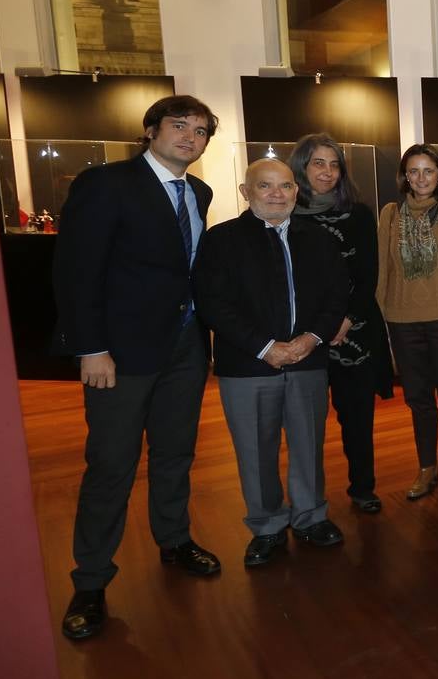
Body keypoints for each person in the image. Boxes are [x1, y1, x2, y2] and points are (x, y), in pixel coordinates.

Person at [52, 95, 222, 639]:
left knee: (175, 452)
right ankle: (91, 581)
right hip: (119, 354)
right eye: (179, 126)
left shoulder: (198, 191)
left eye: (200, 132)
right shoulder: (106, 185)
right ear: (151, 130)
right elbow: (76, 272)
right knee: (111, 465)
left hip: (184, 349)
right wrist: (90, 347)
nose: (190, 138)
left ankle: (173, 539)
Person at [193, 158, 349, 567]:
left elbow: (337, 297)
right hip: (247, 365)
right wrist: (266, 347)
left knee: (308, 445)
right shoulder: (221, 240)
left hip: (307, 360)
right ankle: (266, 526)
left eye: (284, 186)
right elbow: (213, 305)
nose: (277, 194)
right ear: (246, 192)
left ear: (297, 192)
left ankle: (311, 517)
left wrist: (310, 339)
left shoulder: (319, 239)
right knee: (255, 451)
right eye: (265, 186)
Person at [287, 134, 393, 514]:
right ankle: (307, 501)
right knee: (304, 427)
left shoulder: (360, 214)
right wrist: (312, 332)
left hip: (354, 332)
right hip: (301, 337)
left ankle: (363, 488)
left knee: (357, 420)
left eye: (334, 164)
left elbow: (368, 276)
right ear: (301, 167)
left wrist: (346, 322)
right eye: (318, 163)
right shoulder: (282, 213)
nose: (328, 172)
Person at [377, 145, 438, 500]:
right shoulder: (390, 215)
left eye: (428, 170)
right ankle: (427, 467)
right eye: (413, 171)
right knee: (418, 399)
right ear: (404, 176)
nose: (421, 178)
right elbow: (383, 267)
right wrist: (381, 311)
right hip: (402, 319)